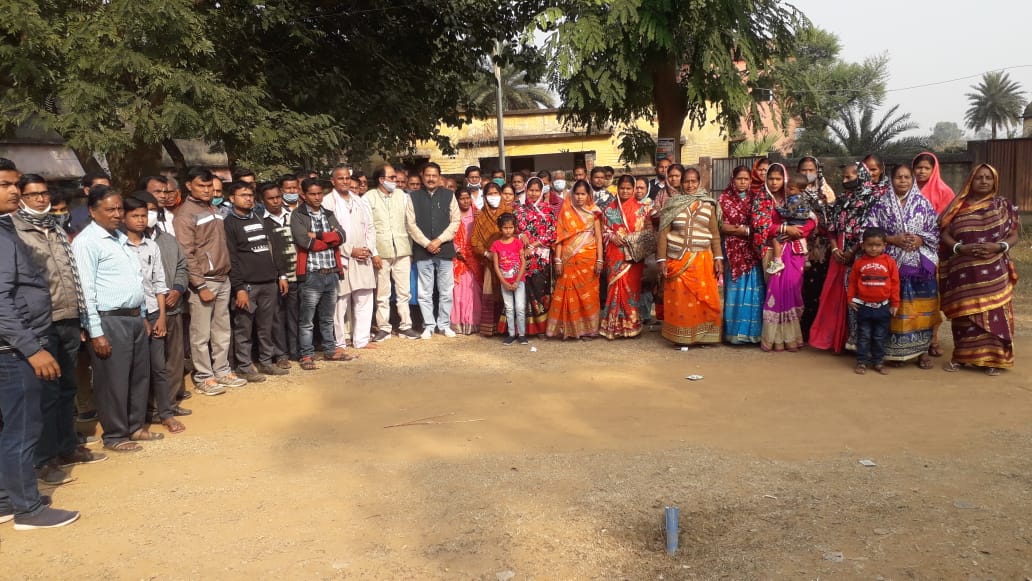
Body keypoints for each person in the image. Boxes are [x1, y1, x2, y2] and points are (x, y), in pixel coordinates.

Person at [0, 157, 81, 530]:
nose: (15, 191)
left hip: (14, 345)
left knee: (10, 428)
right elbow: (2, 301)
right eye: (5, 185)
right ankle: (28, 510)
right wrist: (32, 349)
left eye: (15, 184)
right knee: (22, 429)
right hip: (14, 350)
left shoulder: (5, 229)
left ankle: (7, 499)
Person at [12, 174, 105, 484]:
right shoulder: (14, 230)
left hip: (68, 316)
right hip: (40, 321)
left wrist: (80, 316)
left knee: (67, 388)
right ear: (21, 198)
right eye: (33, 194)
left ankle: (66, 447)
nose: (41, 199)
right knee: (46, 393)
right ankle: (44, 459)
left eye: (44, 194)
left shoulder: (56, 226)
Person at [73, 186, 163, 451]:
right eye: (109, 209)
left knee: (138, 377)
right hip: (108, 321)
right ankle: (115, 435)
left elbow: (135, 280)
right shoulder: (87, 242)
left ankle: (135, 427)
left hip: (134, 318)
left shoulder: (120, 238)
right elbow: (85, 290)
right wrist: (95, 331)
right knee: (113, 381)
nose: (116, 214)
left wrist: (142, 314)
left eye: (119, 209)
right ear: (92, 211)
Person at [939, 164, 1019, 376]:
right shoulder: (957, 206)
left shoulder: (1003, 205)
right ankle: (962, 357)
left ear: (994, 182)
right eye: (979, 177)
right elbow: (944, 233)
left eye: (988, 178)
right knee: (964, 315)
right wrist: (959, 248)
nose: (984, 181)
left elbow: (1014, 235)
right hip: (963, 271)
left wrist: (999, 246)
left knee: (995, 313)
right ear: (970, 181)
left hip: (994, 272)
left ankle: (994, 359)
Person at [862, 164, 940, 369]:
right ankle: (893, 352)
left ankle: (921, 351)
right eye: (899, 177)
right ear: (891, 179)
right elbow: (868, 229)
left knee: (922, 309)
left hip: (919, 265)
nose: (903, 181)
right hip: (890, 263)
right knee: (892, 309)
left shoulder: (924, 203)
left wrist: (921, 239)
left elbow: (935, 231)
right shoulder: (881, 204)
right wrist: (891, 239)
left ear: (912, 180)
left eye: (907, 177)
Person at [172, 168, 240, 395]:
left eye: (210, 186)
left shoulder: (214, 208)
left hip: (223, 278)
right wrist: (199, 285)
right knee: (200, 334)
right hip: (204, 282)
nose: (207, 190)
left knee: (222, 330)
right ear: (188, 186)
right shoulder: (185, 214)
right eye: (201, 185)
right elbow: (186, 253)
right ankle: (204, 376)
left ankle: (222, 370)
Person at [121, 196, 182, 434]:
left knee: (159, 367)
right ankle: (134, 419)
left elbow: (159, 283)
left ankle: (165, 413)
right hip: (132, 315)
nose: (141, 220)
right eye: (135, 216)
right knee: (135, 369)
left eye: (143, 216)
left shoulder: (152, 246)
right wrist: (142, 318)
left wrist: (162, 317)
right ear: (123, 217)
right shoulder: (118, 246)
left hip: (156, 312)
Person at [810, 163, 883, 353]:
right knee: (835, 295)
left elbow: (871, 228)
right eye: (843, 177)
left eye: (848, 177)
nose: (844, 181)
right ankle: (837, 340)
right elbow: (832, 228)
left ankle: (860, 343)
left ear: (861, 176)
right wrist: (835, 249)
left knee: (859, 296)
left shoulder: (874, 199)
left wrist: (853, 251)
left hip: (863, 253)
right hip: (839, 254)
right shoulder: (842, 199)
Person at [134, 192, 192, 413]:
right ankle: (152, 407)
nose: (147, 215)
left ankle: (169, 403)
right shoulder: (127, 242)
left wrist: (177, 289)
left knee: (174, 359)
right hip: (147, 312)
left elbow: (182, 266)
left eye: (152, 210)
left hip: (173, 307)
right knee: (152, 362)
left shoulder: (167, 239)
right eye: (143, 211)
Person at [224, 182, 287, 380]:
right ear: (232, 198)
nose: (248, 198)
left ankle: (266, 362)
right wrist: (239, 288)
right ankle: (244, 367)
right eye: (243, 195)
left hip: (269, 283)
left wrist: (281, 275)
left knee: (266, 327)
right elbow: (231, 258)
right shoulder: (229, 224)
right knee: (244, 329)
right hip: (247, 286)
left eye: (250, 195)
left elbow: (273, 248)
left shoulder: (260, 217)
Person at [656, 168, 723, 346]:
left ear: (699, 182)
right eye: (687, 181)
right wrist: (661, 260)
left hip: (702, 260)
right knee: (681, 300)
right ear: (681, 183)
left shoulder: (709, 205)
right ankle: (680, 337)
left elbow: (715, 235)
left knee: (704, 299)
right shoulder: (672, 204)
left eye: (694, 181)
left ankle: (704, 337)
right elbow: (663, 233)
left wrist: (718, 258)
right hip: (677, 259)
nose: (690, 185)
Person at [292, 177, 353, 369]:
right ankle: (306, 355)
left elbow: (342, 236)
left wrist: (318, 235)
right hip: (312, 273)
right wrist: (329, 241)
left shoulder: (328, 213)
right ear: (304, 195)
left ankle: (329, 350)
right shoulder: (298, 215)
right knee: (307, 320)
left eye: (319, 193)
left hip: (331, 272)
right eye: (312, 194)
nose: (317, 197)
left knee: (328, 317)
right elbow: (305, 242)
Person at [755, 164, 812, 352]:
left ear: (785, 180)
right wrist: (784, 228)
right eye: (771, 178)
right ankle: (775, 340)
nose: (774, 182)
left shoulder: (795, 198)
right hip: (772, 251)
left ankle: (792, 338)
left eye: (778, 179)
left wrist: (798, 231)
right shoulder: (761, 200)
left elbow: (813, 221)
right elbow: (760, 225)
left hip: (795, 251)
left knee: (793, 290)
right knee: (775, 292)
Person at [324, 165, 378, 350]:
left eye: (347, 178)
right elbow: (329, 233)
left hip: (363, 256)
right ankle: (339, 342)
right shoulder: (327, 202)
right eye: (341, 178)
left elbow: (370, 227)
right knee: (340, 302)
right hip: (341, 257)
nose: (345, 181)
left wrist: (368, 248)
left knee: (365, 297)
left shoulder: (359, 201)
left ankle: (361, 340)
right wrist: (349, 250)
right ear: (333, 181)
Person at [406, 162, 461, 339]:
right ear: (422, 176)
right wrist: (426, 243)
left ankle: (444, 325)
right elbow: (410, 224)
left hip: (444, 249)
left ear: (439, 177)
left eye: (434, 175)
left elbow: (455, 221)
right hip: (423, 251)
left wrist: (439, 240)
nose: (430, 179)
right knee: (424, 292)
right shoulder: (413, 197)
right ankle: (429, 325)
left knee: (446, 291)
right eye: (427, 175)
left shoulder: (449, 195)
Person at [365, 165, 419, 341]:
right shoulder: (368, 198)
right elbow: (367, 228)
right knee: (383, 293)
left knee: (404, 292)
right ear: (381, 180)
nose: (396, 181)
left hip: (402, 249)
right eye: (392, 177)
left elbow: (410, 223)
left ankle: (405, 326)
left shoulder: (402, 196)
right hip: (381, 251)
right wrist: (373, 253)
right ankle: (384, 327)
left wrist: (411, 249)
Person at [599, 175, 655, 339]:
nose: (625, 191)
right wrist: (611, 236)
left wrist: (633, 239)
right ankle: (613, 326)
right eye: (622, 188)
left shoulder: (643, 209)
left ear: (633, 189)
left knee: (632, 289)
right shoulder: (608, 209)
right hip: (615, 253)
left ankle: (631, 325)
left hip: (634, 255)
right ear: (617, 189)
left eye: (628, 188)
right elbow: (602, 230)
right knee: (615, 288)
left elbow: (649, 231)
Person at [546, 180, 603, 340]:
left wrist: (600, 260)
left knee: (588, 294)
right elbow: (560, 238)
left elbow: (599, 238)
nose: (579, 197)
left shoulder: (594, 212)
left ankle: (589, 329)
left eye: (583, 194)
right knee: (567, 292)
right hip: (568, 258)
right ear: (572, 194)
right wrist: (558, 260)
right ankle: (568, 329)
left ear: (588, 195)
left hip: (588, 259)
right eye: (577, 194)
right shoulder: (566, 212)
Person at [718, 166, 764, 345]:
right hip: (732, 251)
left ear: (751, 181)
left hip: (753, 251)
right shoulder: (723, 199)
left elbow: (761, 224)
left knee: (754, 289)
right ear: (733, 179)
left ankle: (752, 334)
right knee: (734, 290)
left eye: (746, 179)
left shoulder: (757, 199)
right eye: (739, 179)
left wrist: (745, 230)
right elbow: (719, 225)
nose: (743, 182)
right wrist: (742, 230)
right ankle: (733, 334)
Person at [848, 227, 900, 375]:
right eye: (870, 245)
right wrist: (850, 298)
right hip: (863, 307)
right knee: (863, 336)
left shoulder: (889, 262)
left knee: (879, 336)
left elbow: (895, 284)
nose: (873, 248)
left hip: (883, 307)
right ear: (863, 245)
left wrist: (895, 303)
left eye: (878, 245)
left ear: (884, 246)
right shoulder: (859, 263)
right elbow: (852, 282)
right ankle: (861, 362)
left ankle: (878, 362)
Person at [259, 182, 301, 363]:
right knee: (276, 317)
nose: (276, 201)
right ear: (262, 200)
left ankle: (296, 351)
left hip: (296, 275)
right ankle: (281, 354)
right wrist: (279, 274)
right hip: (274, 277)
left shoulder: (294, 216)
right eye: (271, 198)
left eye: (278, 197)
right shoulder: (260, 220)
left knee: (295, 315)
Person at [797, 156, 835, 341]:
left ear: (817, 171)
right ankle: (800, 329)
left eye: (811, 170)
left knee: (818, 288)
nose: (807, 173)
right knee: (800, 287)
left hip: (821, 249)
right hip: (799, 246)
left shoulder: (826, 192)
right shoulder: (793, 190)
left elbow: (833, 218)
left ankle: (816, 329)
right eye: (803, 170)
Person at [514, 177, 558, 336]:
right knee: (523, 291)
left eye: (537, 190)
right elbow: (511, 230)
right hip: (521, 256)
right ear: (526, 190)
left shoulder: (548, 210)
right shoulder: (518, 210)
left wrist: (533, 245)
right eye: (531, 190)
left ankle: (540, 328)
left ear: (542, 191)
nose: (533, 193)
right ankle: (523, 328)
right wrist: (520, 236)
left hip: (541, 258)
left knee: (540, 290)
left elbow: (552, 233)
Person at [471, 182, 514, 336]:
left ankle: (509, 328)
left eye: (496, 193)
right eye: (490, 194)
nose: (493, 196)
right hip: (490, 262)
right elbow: (474, 240)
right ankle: (492, 328)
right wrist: (486, 253)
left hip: (510, 261)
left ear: (501, 194)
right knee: (491, 293)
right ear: (484, 196)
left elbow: (517, 233)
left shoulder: (510, 212)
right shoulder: (480, 217)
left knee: (509, 293)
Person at [490, 213, 528, 345]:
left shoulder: (518, 243)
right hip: (505, 282)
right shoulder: (496, 245)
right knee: (509, 308)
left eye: (511, 227)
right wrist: (504, 282)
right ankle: (511, 334)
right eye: (505, 228)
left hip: (519, 281)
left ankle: (522, 334)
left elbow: (523, 262)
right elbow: (496, 265)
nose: (508, 230)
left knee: (520, 307)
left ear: (514, 228)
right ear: (500, 228)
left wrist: (517, 281)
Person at [767, 174, 814, 275]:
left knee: (776, 240)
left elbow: (788, 213)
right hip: (801, 225)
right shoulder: (806, 198)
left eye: (791, 189)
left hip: (794, 224)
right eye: (787, 187)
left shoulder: (793, 199)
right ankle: (806, 258)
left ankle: (777, 262)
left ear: (801, 190)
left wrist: (778, 208)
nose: (787, 190)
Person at [451, 188, 482, 335]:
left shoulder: (477, 214)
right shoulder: (452, 215)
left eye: (467, 198)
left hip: (475, 258)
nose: (465, 201)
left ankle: (473, 322)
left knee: (473, 290)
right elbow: (449, 234)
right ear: (457, 200)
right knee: (458, 291)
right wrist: (457, 250)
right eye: (462, 198)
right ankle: (458, 323)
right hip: (458, 259)